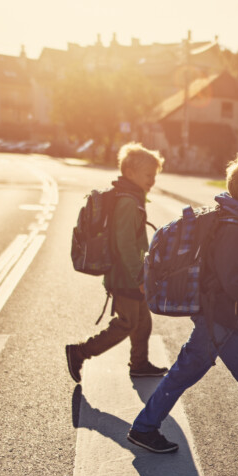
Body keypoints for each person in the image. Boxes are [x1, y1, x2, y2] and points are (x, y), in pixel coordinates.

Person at [126, 156, 238, 454]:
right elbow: (233, 283)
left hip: (226, 317)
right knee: (184, 373)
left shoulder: (237, 222)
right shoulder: (234, 229)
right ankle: (144, 428)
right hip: (217, 316)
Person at [66, 142, 169, 383]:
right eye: (148, 175)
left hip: (131, 273)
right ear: (130, 173)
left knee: (143, 322)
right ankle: (80, 352)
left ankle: (140, 364)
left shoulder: (131, 197)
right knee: (126, 323)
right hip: (125, 276)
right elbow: (124, 243)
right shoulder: (128, 202)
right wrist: (138, 277)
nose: (152, 180)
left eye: (154, 176)